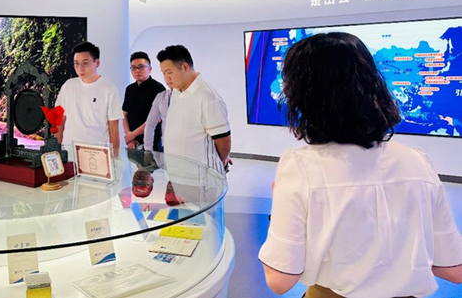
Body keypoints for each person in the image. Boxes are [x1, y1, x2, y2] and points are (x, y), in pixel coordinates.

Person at [258, 32, 462, 297]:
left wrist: (277, 214)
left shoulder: (300, 167)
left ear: (303, 98)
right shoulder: (417, 161)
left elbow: (280, 280)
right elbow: (454, 270)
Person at [157, 45, 231, 174]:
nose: (166, 78)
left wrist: (220, 162)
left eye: (169, 73)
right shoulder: (176, 91)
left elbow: (223, 139)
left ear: (185, 67)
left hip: (202, 177)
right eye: (163, 73)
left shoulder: (207, 96)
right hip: (178, 174)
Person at [55, 41, 122, 149]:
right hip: (69, 151)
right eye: (76, 63)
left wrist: (115, 157)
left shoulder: (109, 89)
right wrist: (56, 150)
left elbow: (113, 128)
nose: (80, 68)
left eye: (85, 63)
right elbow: (60, 120)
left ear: (97, 63)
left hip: (96, 153)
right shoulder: (68, 86)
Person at [122, 52, 166, 149]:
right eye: (133, 68)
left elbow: (157, 119)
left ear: (149, 69)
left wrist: (132, 134)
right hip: (133, 143)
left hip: (153, 142)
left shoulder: (158, 89)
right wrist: (129, 136)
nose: (137, 71)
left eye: (141, 67)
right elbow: (124, 114)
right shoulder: (129, 89)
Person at [143, 87, 172, 152]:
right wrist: (148, 149)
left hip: (187, 146)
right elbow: (150, 124)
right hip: (166, 145)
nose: (168, 81)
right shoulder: (161, 96)